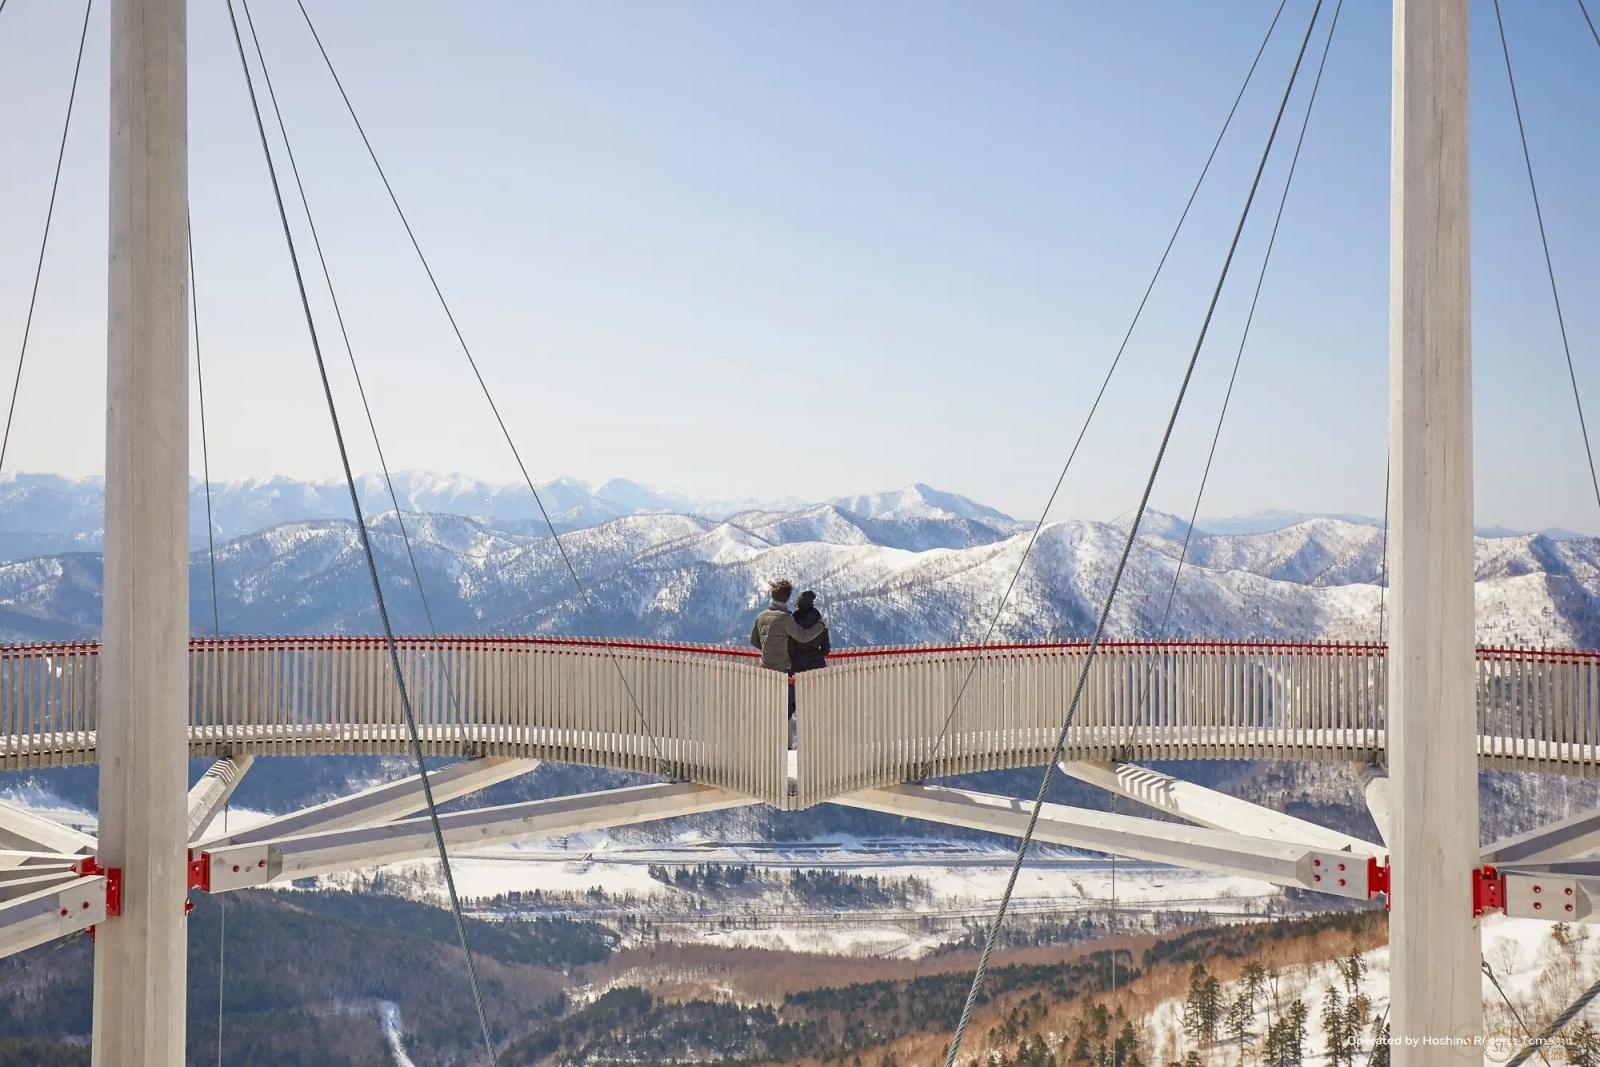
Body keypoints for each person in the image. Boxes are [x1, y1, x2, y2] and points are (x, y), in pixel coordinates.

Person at [748, 578, 826, 673]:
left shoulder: (760, 617)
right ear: (787, 598)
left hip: (765, 666)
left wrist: (768, 649)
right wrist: (821, 625)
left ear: (772, 596)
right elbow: (803, 637)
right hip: (782, 668)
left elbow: (753, 641)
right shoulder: (786, 618)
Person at [788, 589, 829, 673]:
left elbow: (790, 646)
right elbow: (825, 650)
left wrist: (794, 657)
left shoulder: (795, 617)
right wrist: (817, 655)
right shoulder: (818, 620)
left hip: (798, 664)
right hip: (817, 664)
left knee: (798, 686)